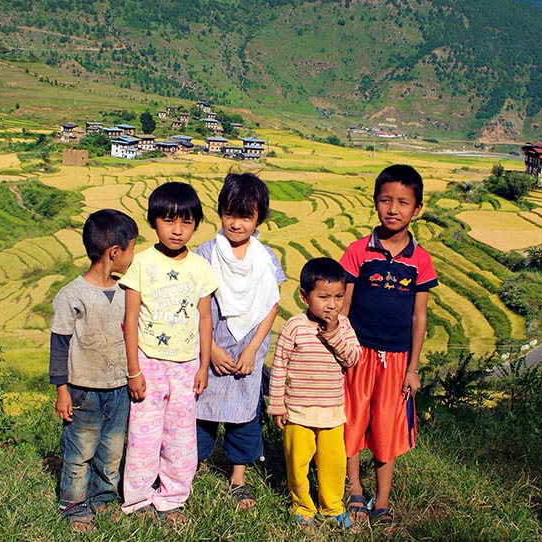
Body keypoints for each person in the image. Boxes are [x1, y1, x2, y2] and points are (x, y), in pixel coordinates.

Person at [339, 164, 439, 528]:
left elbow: (419, 318)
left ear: (418, 208)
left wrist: (413, 368)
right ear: (375, 203)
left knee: (386, 426)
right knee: (352, 422)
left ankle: (382, 501)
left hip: (397, 360)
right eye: (385, 200)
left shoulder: (420, 259)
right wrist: (340, 351)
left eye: (403, 202)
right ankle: (354, 491)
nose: (393, 209)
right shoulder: (358, 251)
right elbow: (344, 306)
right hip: (358, 354)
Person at [118, 181, 219, 526]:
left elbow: (205, 319)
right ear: (153, 221)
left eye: (186, 222)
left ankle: (172, 498)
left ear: (196, 224)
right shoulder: (141, 264)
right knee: (144, 436)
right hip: (148, 362)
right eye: (168, 221)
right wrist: (134, 370)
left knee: (180, 438)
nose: (177, 230)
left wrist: (204, 365)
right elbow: (130, 319)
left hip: (186, 365)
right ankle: (137, 499)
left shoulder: (201, 269)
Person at [194, 173, 285, 511]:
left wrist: (252, 348)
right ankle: (190, 469)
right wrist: (211, 350)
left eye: (246, 216)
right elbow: (193, 303)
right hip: (210, 345)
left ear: (259, 218)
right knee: (200, 413)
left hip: (249, 349)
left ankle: (238, 479)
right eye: (230, 214)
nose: (236, 223)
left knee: (244, 415)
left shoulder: (266, 258)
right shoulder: (204, 254)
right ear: (220, 212)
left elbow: (271, 304)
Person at [49, 209, 139, 532]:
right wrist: (61, 390)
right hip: (83, 388)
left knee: (112, 448)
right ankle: (74, 504)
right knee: (81, 448)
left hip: (118, 387)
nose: (132, 257)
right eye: (131, 249)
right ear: (114, 253)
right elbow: (59, 345)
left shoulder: (128, 292)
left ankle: (102, 498)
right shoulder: (72, 295)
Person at [267, 257, 361, 528]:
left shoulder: (343, 326)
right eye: (323, 297)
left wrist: (333, 333)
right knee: (297, 463)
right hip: (298, 411)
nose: (332, 304)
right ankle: (302, 505)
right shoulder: (294, 327)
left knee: (333, 464)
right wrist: (277, 405)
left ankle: (332, 507)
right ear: (304, 296)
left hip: (332, 412)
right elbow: (279, 366)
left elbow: (352, 358)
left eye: (338, 296)